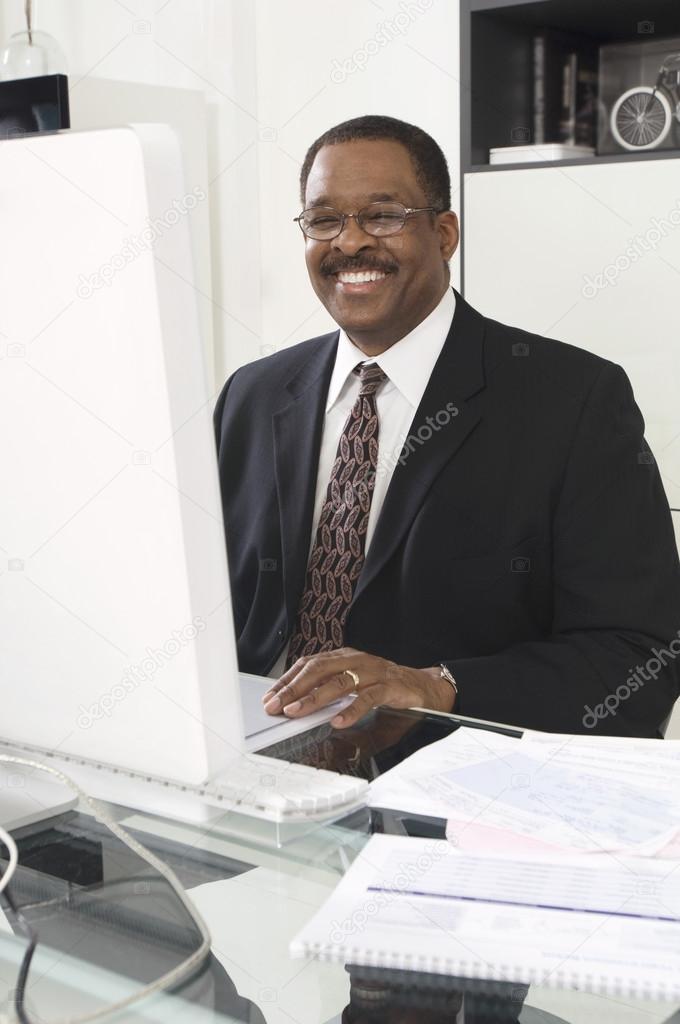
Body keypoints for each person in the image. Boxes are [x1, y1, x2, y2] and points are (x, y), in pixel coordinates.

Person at [214, 114, 680, 737]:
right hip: (247, 763)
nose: (349, 243)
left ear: (444, 233)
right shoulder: (252, 393)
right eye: (324, 220)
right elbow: (199, 603)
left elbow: (637, 657)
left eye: (382, 215)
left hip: (451, 788)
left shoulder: (573, 400)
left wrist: (435, 687)